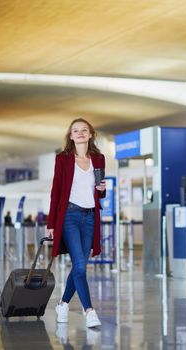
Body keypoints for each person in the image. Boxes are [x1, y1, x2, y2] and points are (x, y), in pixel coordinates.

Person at [47, 117, 106, 328]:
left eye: (84, 130)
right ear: (71, 136)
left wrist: (103, 189)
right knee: (80, 265)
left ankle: (63, 304)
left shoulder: (98, 159)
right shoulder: (63, 159)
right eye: (76, 130)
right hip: (69, 217)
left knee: (80, 265)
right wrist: (51, 224)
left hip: (90, 217)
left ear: (90, 134)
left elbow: (100, 190)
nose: (80, 133)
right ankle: (89, 310)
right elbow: (56, 193)